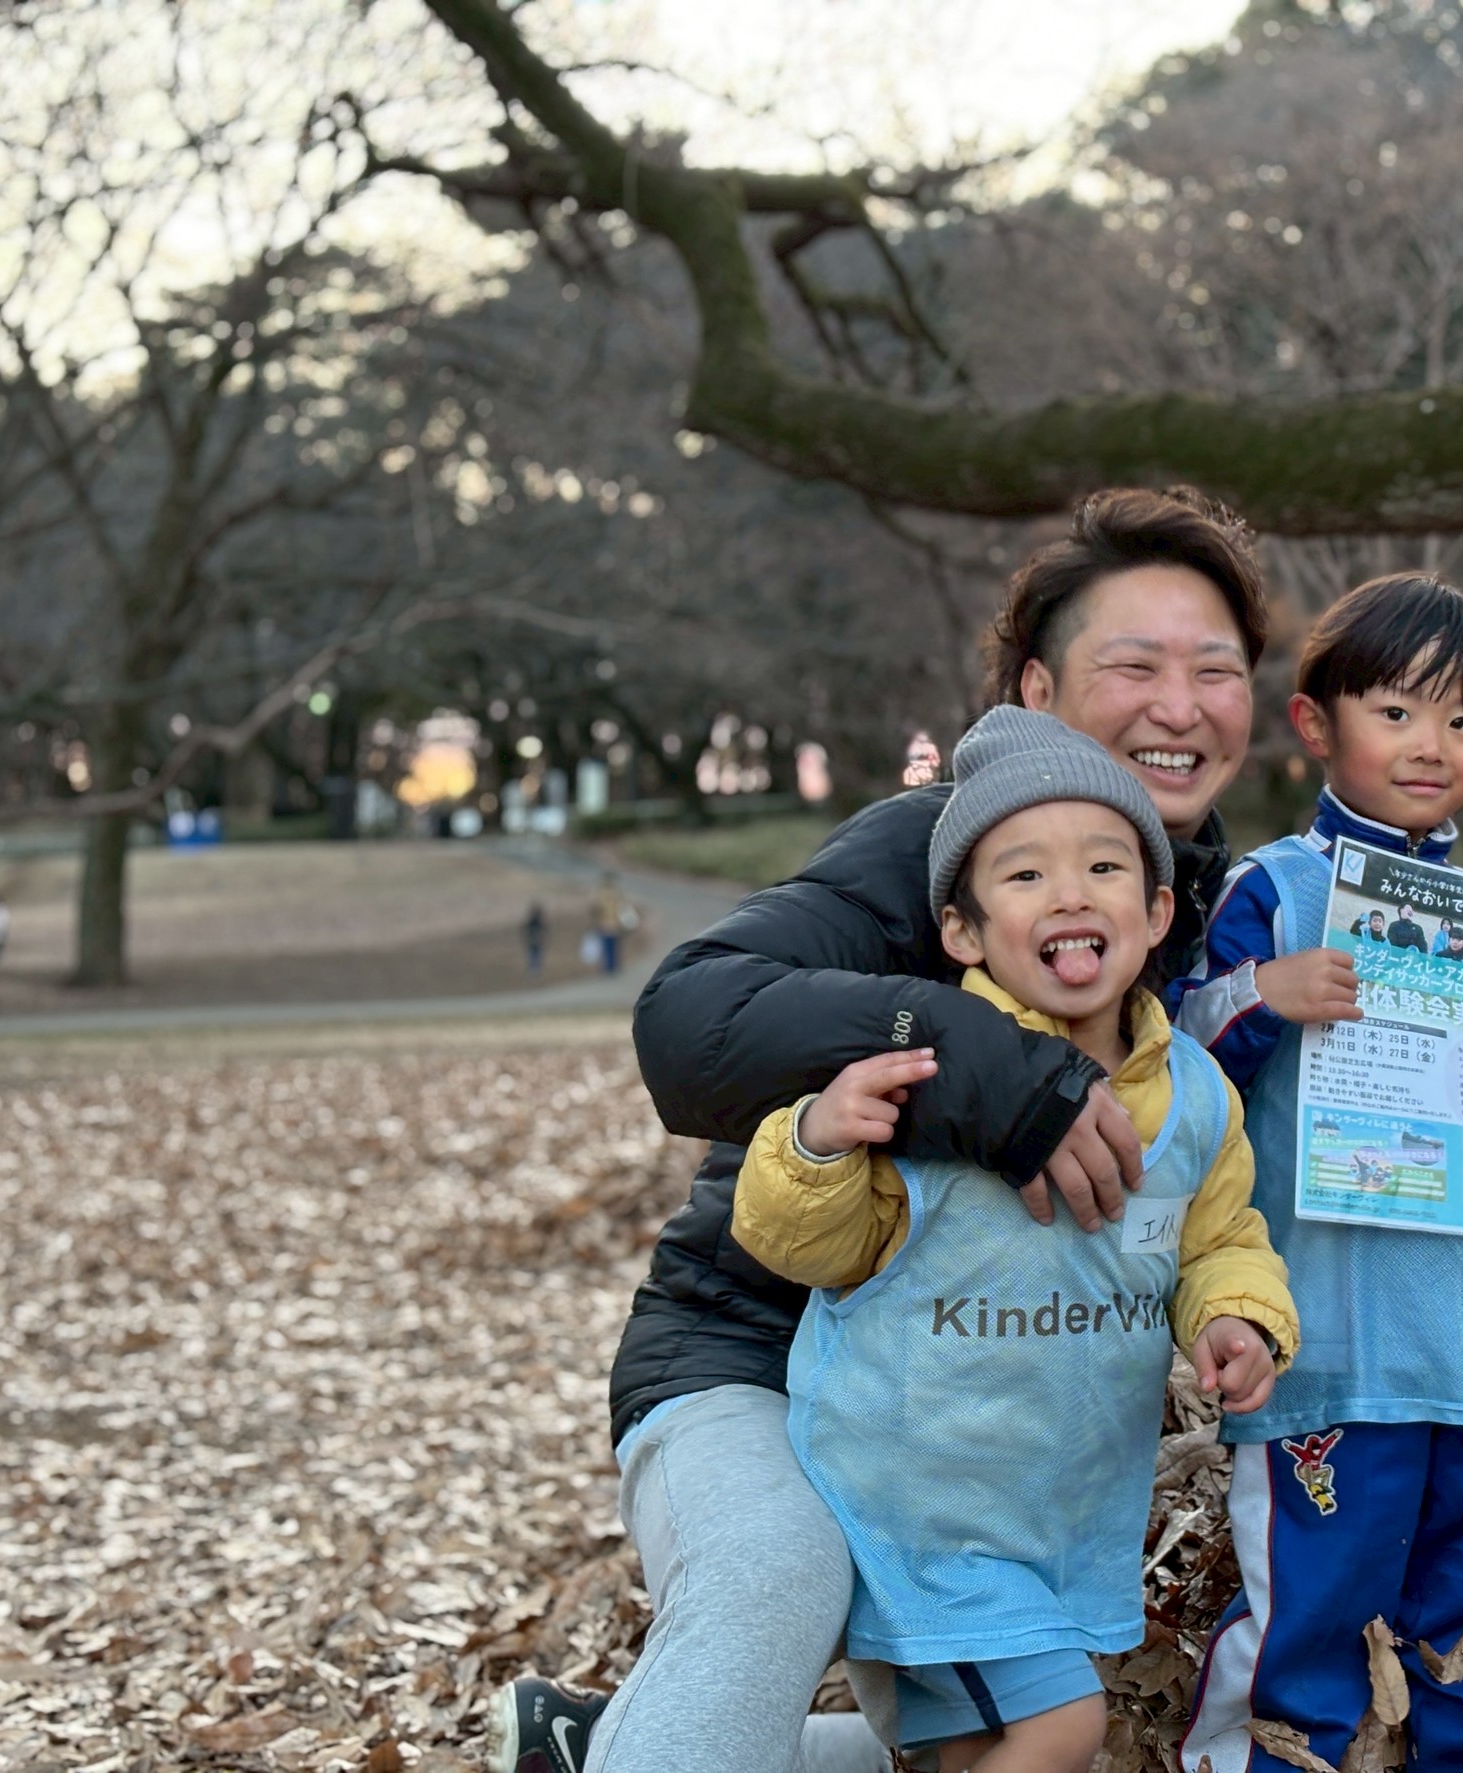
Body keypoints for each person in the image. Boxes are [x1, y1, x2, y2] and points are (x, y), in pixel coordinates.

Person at [485, 488, 1269, 1773]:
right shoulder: (924, 854)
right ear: (1035, 689)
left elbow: (1217, 1167)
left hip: (976, 1419)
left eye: (1216, 671)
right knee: (784, 1579)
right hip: (753, 1352)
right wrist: (986, 1063)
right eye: (1135, 666)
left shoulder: (1195, 906)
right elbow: (686, 1022)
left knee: (1063, 1729)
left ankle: (601, 1752)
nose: (1179, 707)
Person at [733, 709, 1297, 1773]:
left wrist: (1235, 1315)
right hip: (922, 1506)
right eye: (1026, 877)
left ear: (1159, 907)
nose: (1071, 894)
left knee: (980, 1751)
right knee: (1060, 1730)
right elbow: (813, 1248)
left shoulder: (1195, 1099)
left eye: (1103, 867)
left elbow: (1219, 1235)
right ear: (964, 931)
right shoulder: (937, 1085)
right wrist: (814, 1142)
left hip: (1059, 1511)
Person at [1173, 574, 1463, 1773]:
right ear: (1316, 724)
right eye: (1400, 713)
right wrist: (1262, 993)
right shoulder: (1276, 892)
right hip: (1338, 1345)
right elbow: (1172, 1054)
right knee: (1302, 1632)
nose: (1434, 746)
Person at [591, 875, 632, 975]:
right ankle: (614, 966)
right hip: (615, 924)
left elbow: (596, 909)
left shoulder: (601, 894)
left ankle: (609, 966)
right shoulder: (617, 894)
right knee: (614, 946)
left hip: (605, 924)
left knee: (607, 946)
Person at [523, 902, 548, 976]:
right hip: (533, 943)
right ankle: (534, 972)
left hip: (536, 943)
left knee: (535, 958)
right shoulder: (533, 922)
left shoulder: (536, 922)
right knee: (534, 958)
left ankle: (535, 972)